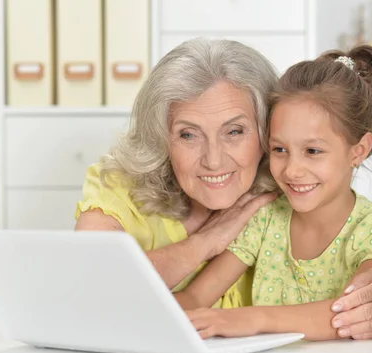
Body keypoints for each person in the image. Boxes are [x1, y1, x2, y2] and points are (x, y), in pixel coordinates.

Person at [173, 44, 372, 341]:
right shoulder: (265, 219)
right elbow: (196, 297)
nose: (292, 170)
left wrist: (247, 319)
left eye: (312, 151)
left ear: (358, 150)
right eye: (279, 149)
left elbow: (354, 312)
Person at [74, 38, 279, 308]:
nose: (214, 161)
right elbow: (93, 284)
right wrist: (204, 243)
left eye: (234, 131)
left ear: (266, 132)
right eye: (188, 135)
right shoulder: (119, 185)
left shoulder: (288, 196)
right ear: (161, 138)